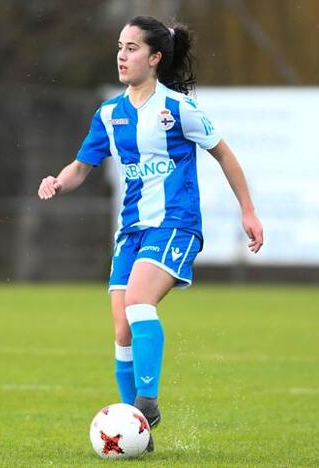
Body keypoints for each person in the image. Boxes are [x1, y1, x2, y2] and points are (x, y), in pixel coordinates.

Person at [38, 15, 263, 452]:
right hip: (133, 231)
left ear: (155, 57)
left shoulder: (178, 109)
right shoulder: (109, 114)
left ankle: (147, 404)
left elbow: (225, 156)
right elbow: (81, 167)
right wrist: (58, 182)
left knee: (139, 300)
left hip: (176, 225)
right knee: (122, 329)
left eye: (132, 48)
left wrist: (248, 212)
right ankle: (137, 433)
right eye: (120, 47)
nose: (122, 55)